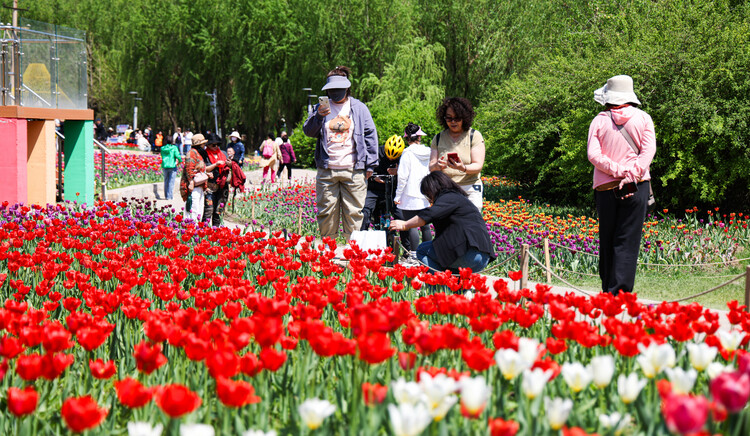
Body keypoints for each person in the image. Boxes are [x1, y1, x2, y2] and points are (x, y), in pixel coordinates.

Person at [588, 75, 655, 296]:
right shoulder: (644, 118)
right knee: (628, 240)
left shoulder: (599, 120)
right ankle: (621, 294)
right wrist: (631, 174)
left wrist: (617, 171)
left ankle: (608, 290)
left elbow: (593, 155)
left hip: (606, 189)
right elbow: (648, 152)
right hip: (636, 187)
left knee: (607, 238)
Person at [303, 65, 379, 241]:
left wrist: (371, 164)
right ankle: (328, 249)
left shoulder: (359, 108)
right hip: (327, 168)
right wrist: (318, 117)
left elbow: (370, 136)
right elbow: (309, 131)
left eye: (338, 90)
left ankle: (352, 252)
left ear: (347, 88)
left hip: (353, 169)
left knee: (354, 212)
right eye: (331, 90)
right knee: (326, 211)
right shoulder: (319, 107)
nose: (334, 93)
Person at [389, 171, 496, 273]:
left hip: (468, 253)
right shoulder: (460, 199)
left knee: (422, 249)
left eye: (427, 194)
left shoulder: (448, 197)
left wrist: (405, 224)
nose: (429, 199)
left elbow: (428, 214)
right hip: (483, 256)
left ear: (432, 189)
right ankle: (459, 289)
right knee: (445, 258)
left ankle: (439, 288)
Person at [429, 97, 486, 210]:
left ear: (464, 118)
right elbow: (431, 166)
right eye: (449, 118)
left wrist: (462, 167)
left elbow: (478, 166)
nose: (453, 122)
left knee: (471, 224)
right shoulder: (439, 138)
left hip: (470, 187)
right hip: (446, 188)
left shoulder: (474, 135)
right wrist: (438, 166)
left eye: (457, 118)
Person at [394, 123, 432, 261]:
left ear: (407, 138)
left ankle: (414, 255)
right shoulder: (429, 151)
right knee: (426, 226)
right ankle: (428, 253)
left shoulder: (407, 153)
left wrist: (398, 195)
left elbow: (403, 176)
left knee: (412, 225)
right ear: (420, 137)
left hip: (410, 194)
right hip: (426, 193)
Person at [360, 135, 402, 232]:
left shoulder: (403, 157)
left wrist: (397, 172)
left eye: (393, 158)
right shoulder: (376, 153)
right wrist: (374, 177)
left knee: (400, 214)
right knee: (365, 211)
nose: (390, 159)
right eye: (388, 156)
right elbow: (364, 171)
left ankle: (405, 244)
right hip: (374, 188)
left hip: (392, 190)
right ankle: (362, 237)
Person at [202, 133, 232, 226]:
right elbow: (203, 168)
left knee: (219, 211)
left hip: (223, 186)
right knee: (208, 209)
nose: (216, 147)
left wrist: (230, 164)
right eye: (213, 145)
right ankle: (204, 232)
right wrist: (215, 165)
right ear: (208, 145)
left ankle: (216, 231)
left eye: (217, 145)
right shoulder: (204, 154)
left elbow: (229, 168)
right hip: (210, 186)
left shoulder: (223, 153)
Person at [179, 134, 208, 222]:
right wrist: (191, 182)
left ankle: (195, 228)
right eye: (203, 144)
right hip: (193, 186)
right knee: (193, 209)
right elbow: (189, 168)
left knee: (199, 210)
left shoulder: (198, 153)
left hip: (200, 185)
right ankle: (190, 229)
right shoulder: (192, 153)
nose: (204, 146)